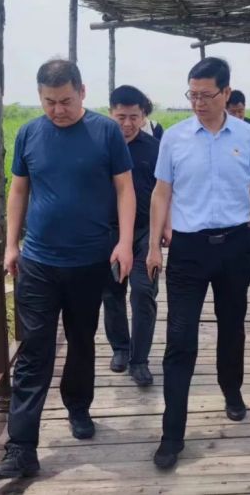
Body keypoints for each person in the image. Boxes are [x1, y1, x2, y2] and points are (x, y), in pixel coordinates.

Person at [0, 60, 135, 480]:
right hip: (38, 262)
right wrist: (11, 244)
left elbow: (125, 188)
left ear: (83, 92)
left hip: (90, 261)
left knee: (81, 341)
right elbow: (19, 189)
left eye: (66, 101)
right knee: (34, 350)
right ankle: (21, 446)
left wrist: (125, 242)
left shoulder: (106, 132)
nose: (58, 110)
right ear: (40, 97)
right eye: (49, 101)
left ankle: (78, 406)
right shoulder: (29, 133)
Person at [146, 57, 250, 470]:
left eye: (206, 95)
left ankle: (232, 389)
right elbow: (161, 192)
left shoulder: (248, 136)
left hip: (235, 246)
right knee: (180, 338)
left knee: (232, 326)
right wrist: (153, 246)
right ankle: (172, 433)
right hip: (187, 249)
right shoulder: (174, 137)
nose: (198, 103)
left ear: (226, 93)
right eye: (192, 95)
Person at [103, 85, 161, 387]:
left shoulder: (155, 148)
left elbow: (167, 192)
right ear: (110, 113)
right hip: (108, 231)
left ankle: (140, 359)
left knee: (143, 292)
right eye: (121, 117)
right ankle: (120, 349)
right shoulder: (100, 145)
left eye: (134, 117)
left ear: (143, 116)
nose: (127, 124)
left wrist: (165, 228)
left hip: (145, 232)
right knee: (112, 292)